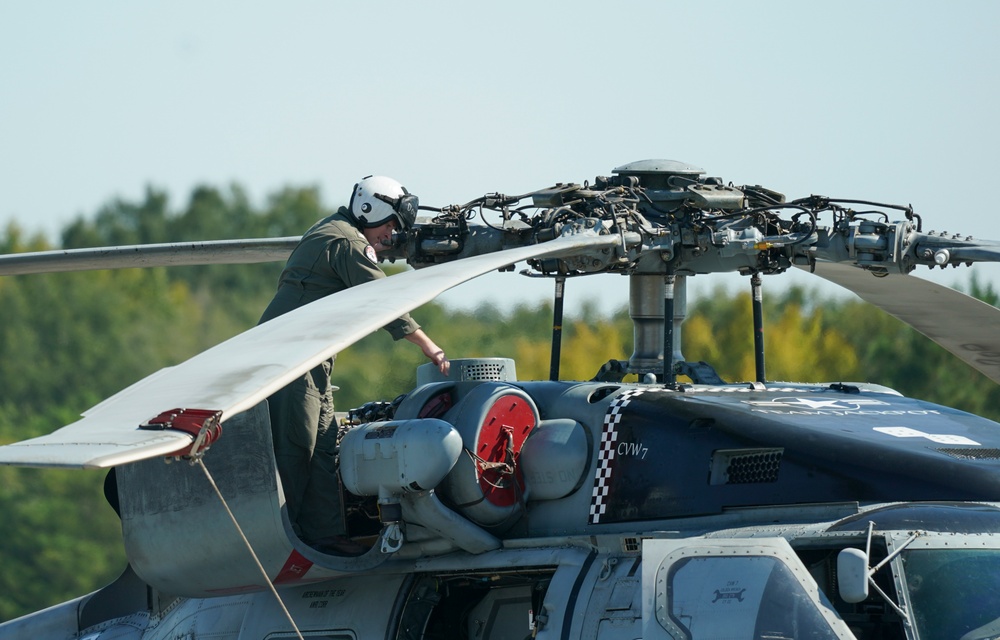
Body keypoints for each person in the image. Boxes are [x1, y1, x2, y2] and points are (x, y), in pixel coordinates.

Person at [258, 175, 450, 554]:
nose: (392, 234)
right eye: (391, 224)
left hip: (310, 362)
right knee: (298, 447)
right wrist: (428, 345)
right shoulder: (347, 241)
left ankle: (324, 535)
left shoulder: (336, 230)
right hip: (289, 361)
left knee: (325, 445)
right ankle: (284, 537)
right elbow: (381, 301)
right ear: (371, 210)